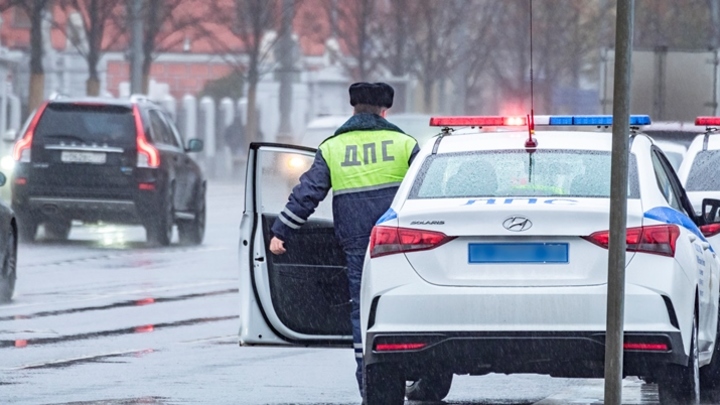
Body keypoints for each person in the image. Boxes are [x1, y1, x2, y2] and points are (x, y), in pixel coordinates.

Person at [268, 82, 419, 397]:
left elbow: (308, 193)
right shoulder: (404, 143)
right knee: (402, 307)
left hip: (355, 243)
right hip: (398, 243)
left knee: (362, 311)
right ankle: (413, 368)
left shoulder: (333, 147)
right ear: (384, 110)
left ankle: (370, 385)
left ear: (353, 108)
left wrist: (281, 230)